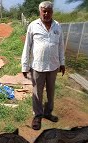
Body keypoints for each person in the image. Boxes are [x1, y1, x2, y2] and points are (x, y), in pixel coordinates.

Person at [21, 1, 65, 130]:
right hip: (37, 66)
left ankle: (48, 112)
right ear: (40, 11)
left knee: (51, 91)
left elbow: (61, 46)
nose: (46, 14)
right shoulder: (33, 26)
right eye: (44, 11)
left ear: (52, 12)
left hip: (53, 65)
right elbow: (27, 46)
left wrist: (62, 63)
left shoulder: (57, 26)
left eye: (49, 11)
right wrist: (25, 66)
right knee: (37, 92)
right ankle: (37, 115)